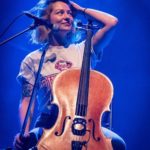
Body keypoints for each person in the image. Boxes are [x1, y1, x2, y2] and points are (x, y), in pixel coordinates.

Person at [13, 0, 126, 149]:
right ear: (47, 20)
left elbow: (112, 22)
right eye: (60, 12)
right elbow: (27, 101)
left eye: (70, 13)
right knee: (27, 144)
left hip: (85, 123)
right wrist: (24, 131)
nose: (68, 17)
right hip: (49, 122)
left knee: (118, 144)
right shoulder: (33, 60)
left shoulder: (84, 49)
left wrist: (80, 10)